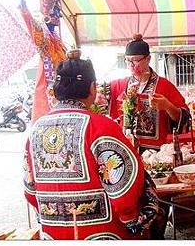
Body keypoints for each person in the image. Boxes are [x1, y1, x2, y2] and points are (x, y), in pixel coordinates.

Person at [23, 51, 160, 240]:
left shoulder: (36, 129)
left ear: (56, 90)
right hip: (101, 232)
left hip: (54, 233)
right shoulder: (100, 126)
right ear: (93, 88)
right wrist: (131, 217)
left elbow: (30, 189)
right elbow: (125, 186)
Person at [108, 34, 191, 150]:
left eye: (136, 60)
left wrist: (168, 106)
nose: (132, 65)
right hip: (128, 150)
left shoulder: (165, 86)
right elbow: (96, 99)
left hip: (157, 153)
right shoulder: (118, 85)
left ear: (148, 59)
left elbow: (186, 120)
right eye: (128, 61)